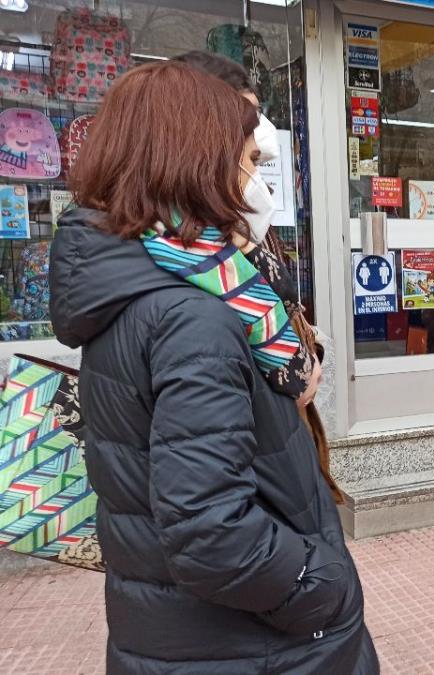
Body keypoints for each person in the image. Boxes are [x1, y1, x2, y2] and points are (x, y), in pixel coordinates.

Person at [48, 61, 378, 674]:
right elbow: (212, 536)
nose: (255, 181)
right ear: (195, 159)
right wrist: (324, 583)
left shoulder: (144, 279)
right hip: (250, 644)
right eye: (246, 158)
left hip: (179, 634)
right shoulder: (192, 314)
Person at [172, 50, 342, 503]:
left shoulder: (241, 238)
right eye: (248, 157)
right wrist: (305, 562)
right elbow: (207, 507)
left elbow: (282, 309)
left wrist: (307, 348)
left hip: (281, 477)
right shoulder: (183, 276)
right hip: (258, 521)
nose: (260, 184)